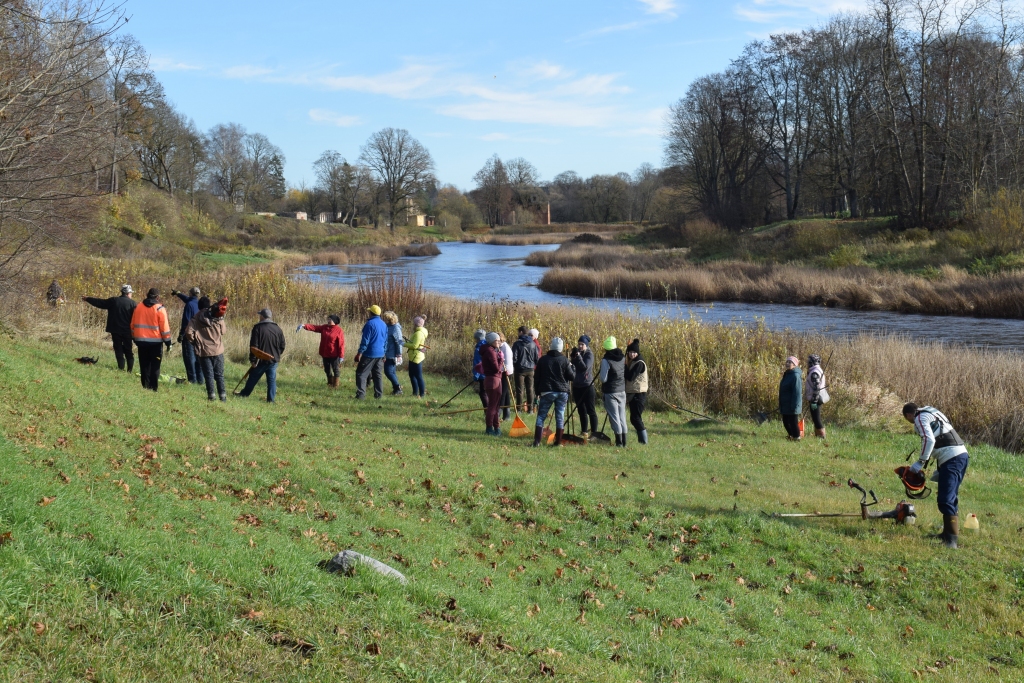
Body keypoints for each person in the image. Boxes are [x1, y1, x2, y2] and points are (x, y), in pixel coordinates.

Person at [903, 403, 969, 549]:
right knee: (950, 497)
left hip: (953, 459)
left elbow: (929, 439)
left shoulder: (919, 418)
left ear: (908, 415)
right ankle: (947, 534)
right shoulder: (931, 411)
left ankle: (951, 541)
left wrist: (920, 462)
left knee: (945, 500)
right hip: (959, 456)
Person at [83, 284, 137, 372]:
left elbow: (100, 303)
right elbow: (137, 318)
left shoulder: (114, 300)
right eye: (131, 293)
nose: (131, 295)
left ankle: (121, 368)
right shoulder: (133, 304)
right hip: (127, 331)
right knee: (128, 349)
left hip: (115, 330)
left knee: (118, 348)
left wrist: (88, 299)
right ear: (128, 293)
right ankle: (129, 370)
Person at [533, 337, 575, 447]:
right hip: (562, 392)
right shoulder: (565, 360)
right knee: (560, 417)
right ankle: (558, 442)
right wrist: (573, 367)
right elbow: (572, 377)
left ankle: (537, 442)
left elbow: (537, 377)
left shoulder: (543, 359)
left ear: (551, 346)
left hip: (547, 391)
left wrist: (537, 392)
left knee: (541, 416)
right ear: (561, 348)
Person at [238, 308, 285, 402]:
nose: (259, 317)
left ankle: (244, 394)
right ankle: (271, 400)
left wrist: (252, 360)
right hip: (273, 360)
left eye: (260, 315)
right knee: (271, 381)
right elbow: (282, 345)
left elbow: (253, 347)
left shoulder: (257, 328)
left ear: (262, 316)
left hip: (261, 360)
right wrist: (276, 355)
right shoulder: (278, 328)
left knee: (253, 378)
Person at [130, 288, 172, 391]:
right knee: (155, 366)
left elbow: (132, 324)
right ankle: (154, 388)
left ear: (147, 295)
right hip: (155, 343)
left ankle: (145, 386)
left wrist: (134, 337)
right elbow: (164, 328)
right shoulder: (159, 308)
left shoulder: (138, 306)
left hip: (141, 341)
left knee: (144, 365)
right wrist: (168, 342)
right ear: (158, 297)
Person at [187, 297, 228, 401]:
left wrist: (195, 342)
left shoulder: (196, 318)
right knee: (219, 375)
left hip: (204, 351)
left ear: (199, 306)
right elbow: (223, 331)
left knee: (208, 375)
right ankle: (223, 397)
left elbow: (188, 332)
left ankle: (211, 396)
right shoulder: (217, 316)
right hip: (217, 350)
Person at [298, 314, 345, 388]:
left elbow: (341, 344)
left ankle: (336, 385)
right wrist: (304, 325)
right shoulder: (324, 327)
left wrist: (341, 356)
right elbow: (315, 328)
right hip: (325, 353)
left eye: (330, 319)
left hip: (334, 354)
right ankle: (330, 383)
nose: (328, 321)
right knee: (327, 369)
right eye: (328, 319)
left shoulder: (339, 330)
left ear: (334, 321)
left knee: (335, 369)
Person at [599, 336, 628, 447]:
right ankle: (624, 442)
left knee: (615, 417)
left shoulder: (606, 360)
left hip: (611, 392)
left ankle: (619, 442)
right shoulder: (622, 358)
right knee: (622, 417)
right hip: (622, 390)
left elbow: (603, 379)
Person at [354, 305, 387, 400]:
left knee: (361, 374)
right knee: (378, 375)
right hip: (380, 354)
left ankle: (360, 395)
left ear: (371, 313)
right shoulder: (384, 324)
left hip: (369, 353)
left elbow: (365, 340)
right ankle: (379, 395)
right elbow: (385, 341)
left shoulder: (369, 324)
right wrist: (384, 353)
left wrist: (360, 352)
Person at [173, 287, 204, 385]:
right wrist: (178, 293)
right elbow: (188, 299)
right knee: (198, 358)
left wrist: (181, 334)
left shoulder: (189, 305)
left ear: (190, 293)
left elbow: (186, 321)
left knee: (189, 358)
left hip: (189, 336)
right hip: (200, 336)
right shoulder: (198, 304)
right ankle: (200, 380)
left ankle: (192, 380)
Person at [570, 335, 598, 440]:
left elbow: (584, 367)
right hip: (577, 385)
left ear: (586, 345)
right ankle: (584, 431)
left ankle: (594, 433)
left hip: (587, 385)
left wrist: (578, 357)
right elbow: (572, 366)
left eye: (582, 344)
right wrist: (572, 358)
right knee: (581, 410)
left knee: (591, 410)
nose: (580, 346)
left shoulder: (589, 355)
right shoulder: (579, 354)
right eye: (579, 344)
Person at [480, 332, 506, 436]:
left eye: (500, 340)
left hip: (494, 379)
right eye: (497, 340)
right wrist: (501, 360)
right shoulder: (490, 352)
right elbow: (496, 368)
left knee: (495, 406)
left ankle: (496, 427)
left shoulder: (491, 350)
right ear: (491, 341)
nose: (499, 342)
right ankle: (489, 428)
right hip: (493, 380)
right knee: (492, 406)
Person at [624, 338, 649, 445]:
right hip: (634, 393)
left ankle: (644, 441)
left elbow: (630, 377)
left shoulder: (639, 363)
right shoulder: (633, 362)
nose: (632, 354)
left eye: (634, 352)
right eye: (630, 352)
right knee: (634, 418)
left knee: (636, 418)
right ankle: (642, 440)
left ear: (637, 353)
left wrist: (624, 366)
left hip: (639, 394)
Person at [512, 325, 539, 414]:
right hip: (531, 369)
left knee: (520, 390)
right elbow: (536, 358)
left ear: (521, 332)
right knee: (530, 389)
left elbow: (514, 358)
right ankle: (530, 409)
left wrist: (515, 365)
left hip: (520, 369)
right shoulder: (533, 344)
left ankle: (519, 409)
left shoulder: (517, 344)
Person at [403, 315, 429, 398]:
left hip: (417, 357)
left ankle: (422, 395)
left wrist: (403, 344)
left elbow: (414, 346)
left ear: (416, 324)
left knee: (418, 376)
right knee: (412, 375)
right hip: (413, 356)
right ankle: (415, 393)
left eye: (413, 323)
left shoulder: (418, 333)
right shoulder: (419, 332)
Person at [779, 356, 803, 440]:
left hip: (792, 404)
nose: (788, 363)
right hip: (786, 403)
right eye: (787, 362)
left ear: (795, 365)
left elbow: (797, 392)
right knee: (786, 422)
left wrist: (794, 406)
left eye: (790, 362)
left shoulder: (795, 376)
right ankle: (792, 436)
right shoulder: (787, 374)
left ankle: (796, 437)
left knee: (793, 422)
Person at [805, 353, 829, 439]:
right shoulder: (816, 370)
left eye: (809, 361)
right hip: (816, 398)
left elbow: (816, 388)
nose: (807, 363)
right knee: (815, 418)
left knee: (816, 419)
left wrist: (814, 401)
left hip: (816, 399)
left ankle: (821, 436)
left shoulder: (814, 373)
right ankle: (817, 435)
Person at [381, 311, 404, 396]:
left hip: (392, 354)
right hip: (387, 352)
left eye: (385, 319)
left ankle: (397, 388)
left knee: (388, 372)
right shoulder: (388, 327)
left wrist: (399, 354)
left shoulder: (395, 328)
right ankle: (396, 389)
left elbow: (399, 342)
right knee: (392, 372)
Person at [498, 332, 514, 422]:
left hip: (506, 372)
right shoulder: (500, 347)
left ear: (501, 339)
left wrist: (502, 371)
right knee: (506, 393)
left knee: (503, 393)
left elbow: (507, 362)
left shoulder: (506, 348)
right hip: (502, 371)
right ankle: (507, 415)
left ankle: (498, 413)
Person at [472, 329, 489, 408]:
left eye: (475, 339)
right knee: (488, 392)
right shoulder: (489, 345)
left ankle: (488, 411)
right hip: (490, 373)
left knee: (483, 392)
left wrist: (477, 374)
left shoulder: (479, 348)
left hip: (483, 374)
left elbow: (478, 363)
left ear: (478, 339)